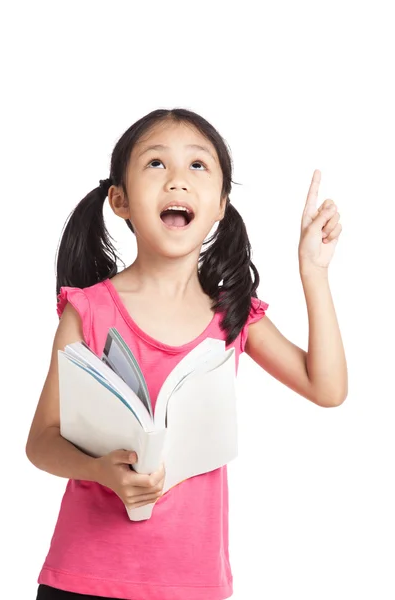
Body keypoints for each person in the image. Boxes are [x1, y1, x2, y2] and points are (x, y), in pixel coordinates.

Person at [26, 107, 348, 600]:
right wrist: (100, 472)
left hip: (192, 585)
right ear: (120, 200)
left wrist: (314, 274)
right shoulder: (88, 309)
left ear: (220, 204)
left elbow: (326, 388)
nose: (177, 180)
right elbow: (41, 442)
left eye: (198, 165)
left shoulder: (234, 315)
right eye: (156, 164)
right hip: (83, 578)